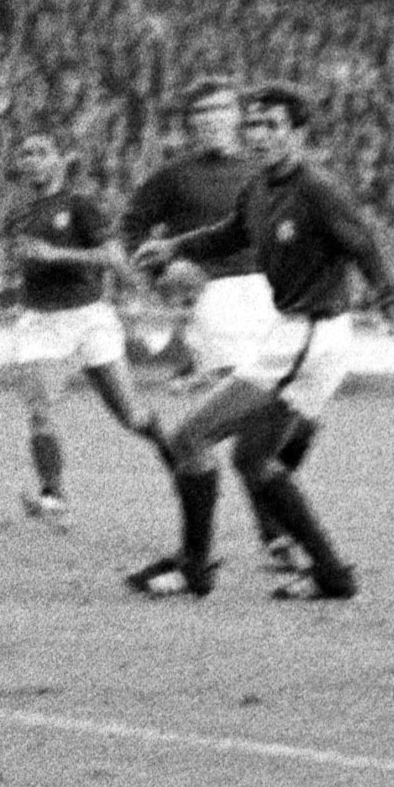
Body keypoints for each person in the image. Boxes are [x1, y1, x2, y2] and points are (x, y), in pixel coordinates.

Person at [131, 82, 394, 603]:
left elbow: (365, 246)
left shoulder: (318, 189)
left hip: (310, 336)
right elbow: (229, 234)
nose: (259, 135)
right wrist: (174, 246)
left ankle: (196, 567)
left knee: (189, 439)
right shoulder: (260, 187)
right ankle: (332, 575)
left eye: (272, 126)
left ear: (298, 134)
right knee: (252, 460)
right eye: (253, 125)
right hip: (293, 333)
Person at [116, 78, 292, 576]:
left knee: (278, 419)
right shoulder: (174, 177)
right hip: (219, 297)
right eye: (202, 113)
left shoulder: (262, 169)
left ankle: (256, 534)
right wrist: (159, 271)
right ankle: (269, 537)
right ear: (192, 122)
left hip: (276, 297)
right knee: (249, 414)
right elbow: (130, 228)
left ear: (237, 116)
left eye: (221, 110)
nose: (212, 119)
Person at [0, 131, 156, 526]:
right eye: (26, 153)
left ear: (60, 160)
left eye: (41, 151)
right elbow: (27, 260)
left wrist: (56, 255)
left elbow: (113, 257)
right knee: (39, 410)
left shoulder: (81, 204)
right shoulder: (19, 213)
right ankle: (53, 495)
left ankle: (179, 453)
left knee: (132, 416)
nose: (32, 159)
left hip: (87, 318)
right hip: (40, 321)